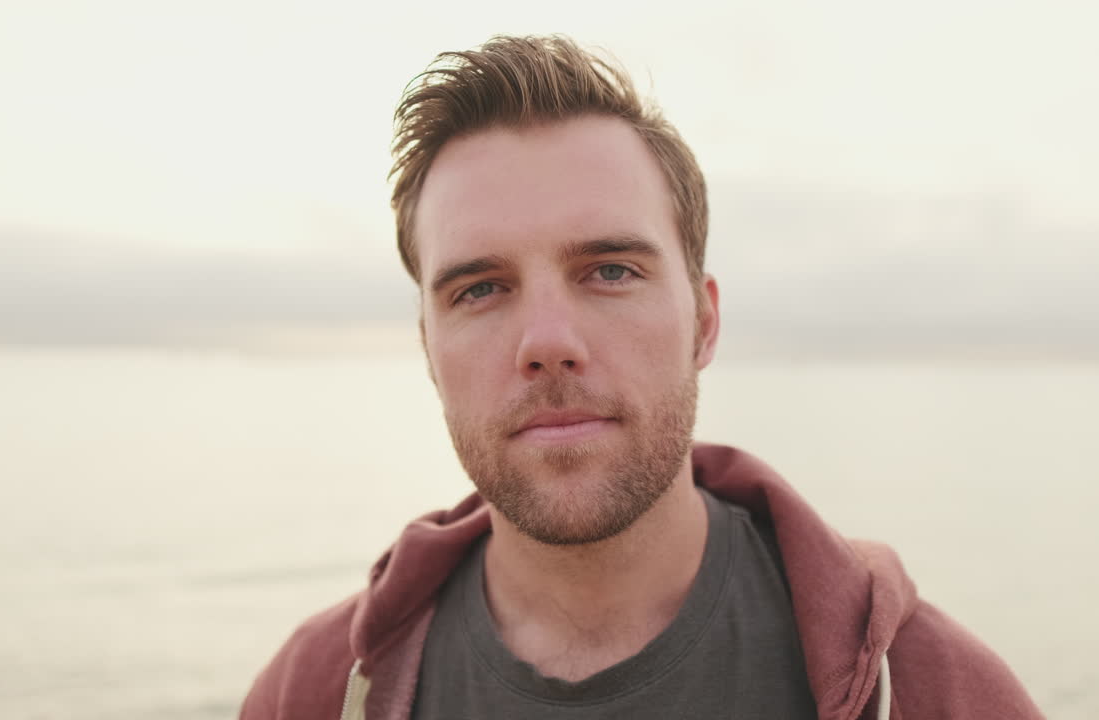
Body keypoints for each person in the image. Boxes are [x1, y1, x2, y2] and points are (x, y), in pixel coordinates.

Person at [240, 35, 1043, 720]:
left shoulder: (938, 693)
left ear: (704, 321)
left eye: (611, 271)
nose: (548, 343)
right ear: (427, 348)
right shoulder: (307, 693)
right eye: (480, 289)